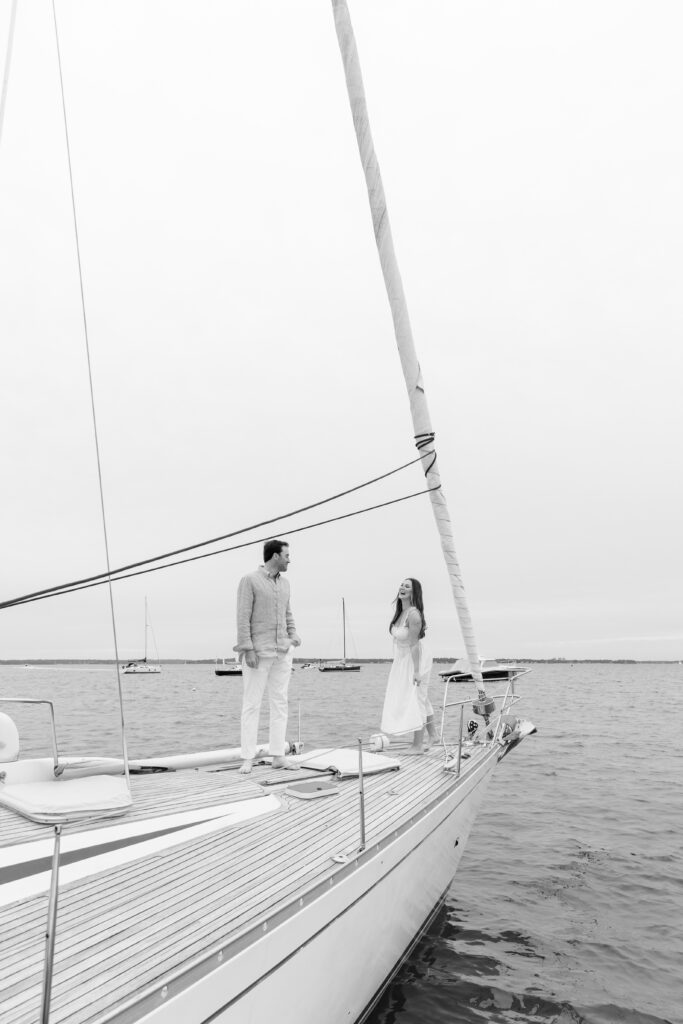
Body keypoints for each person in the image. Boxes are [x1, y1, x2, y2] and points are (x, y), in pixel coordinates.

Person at [234, 539, 301, 773]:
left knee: (280, 703)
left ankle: (278, 756)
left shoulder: (286, 584)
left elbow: (288, 613)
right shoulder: (249, 580)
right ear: (275, 556)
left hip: (282, 652)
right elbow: (243, 618)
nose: (289, 559)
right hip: (258, 652)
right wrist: (247, 648)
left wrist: (293, 636)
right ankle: (248, 758)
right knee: (251, 705)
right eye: (286, 555)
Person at [380, 577, 438, 753]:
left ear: (414, 593)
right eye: (402, 585)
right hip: (402, 658)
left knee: (416, 698)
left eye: (407, 586)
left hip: (417, 658)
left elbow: (414, 644)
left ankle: (417, 745)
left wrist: (417, 671)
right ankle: (433, 735)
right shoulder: (400, 612)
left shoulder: (414, 614)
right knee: (421, 696)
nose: (402, 588)